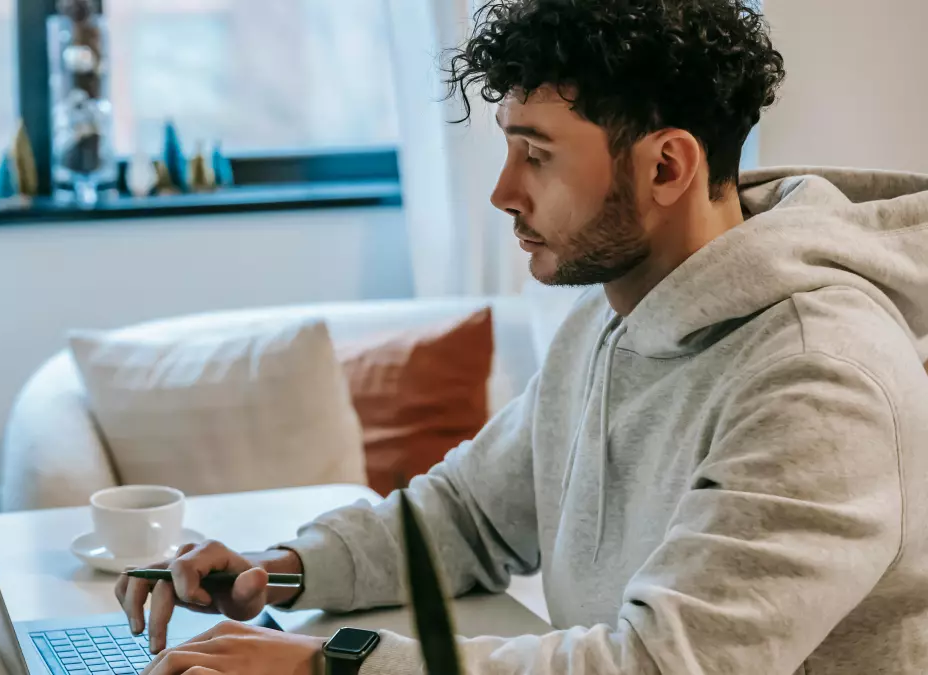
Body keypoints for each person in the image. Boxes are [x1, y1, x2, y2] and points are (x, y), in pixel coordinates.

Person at [117, 1, 928, 673]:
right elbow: (469, 515)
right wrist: (280, 569)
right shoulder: (609, 316)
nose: (503, 193)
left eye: (535, 156)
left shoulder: (818, 376)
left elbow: (655, 664)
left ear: (666, 168)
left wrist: (330, 662)